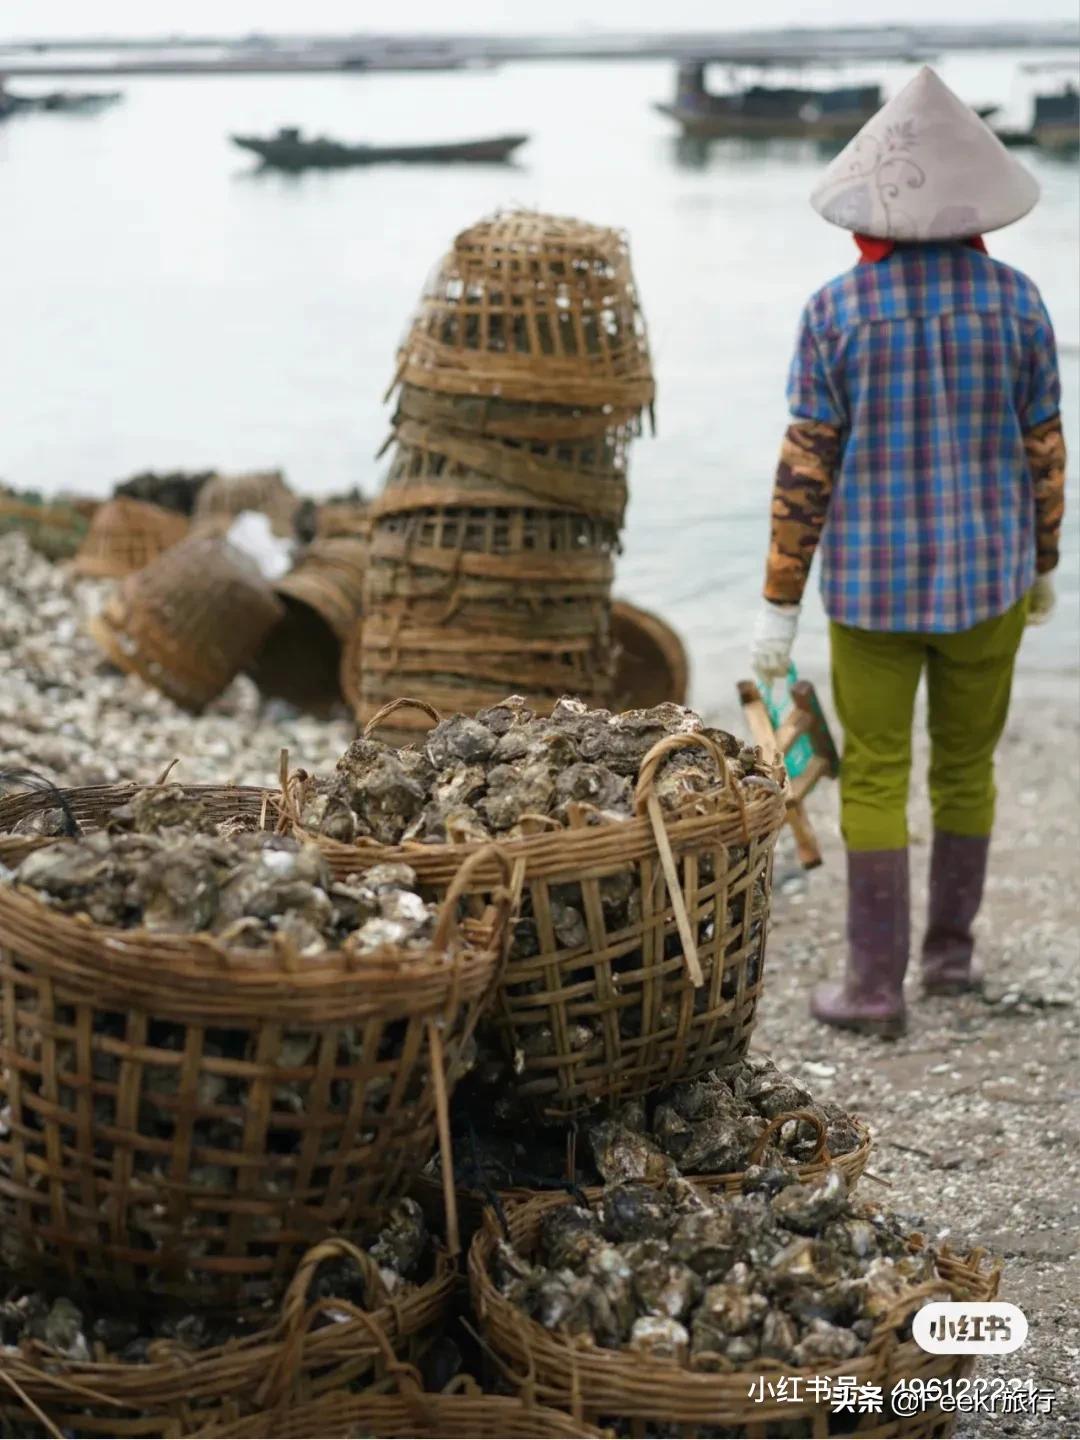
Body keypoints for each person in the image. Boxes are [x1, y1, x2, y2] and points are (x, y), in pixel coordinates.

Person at [749, 67, 1067, 1038]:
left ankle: (874, 989)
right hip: (990, 586)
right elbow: (1044, 449)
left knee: (879, 774)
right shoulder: (1019, 304)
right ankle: (951, 960)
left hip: (872, 597)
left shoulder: (834, 314)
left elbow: (806, 471)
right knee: (967, 769)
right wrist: (1045, 563)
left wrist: (775, 607)